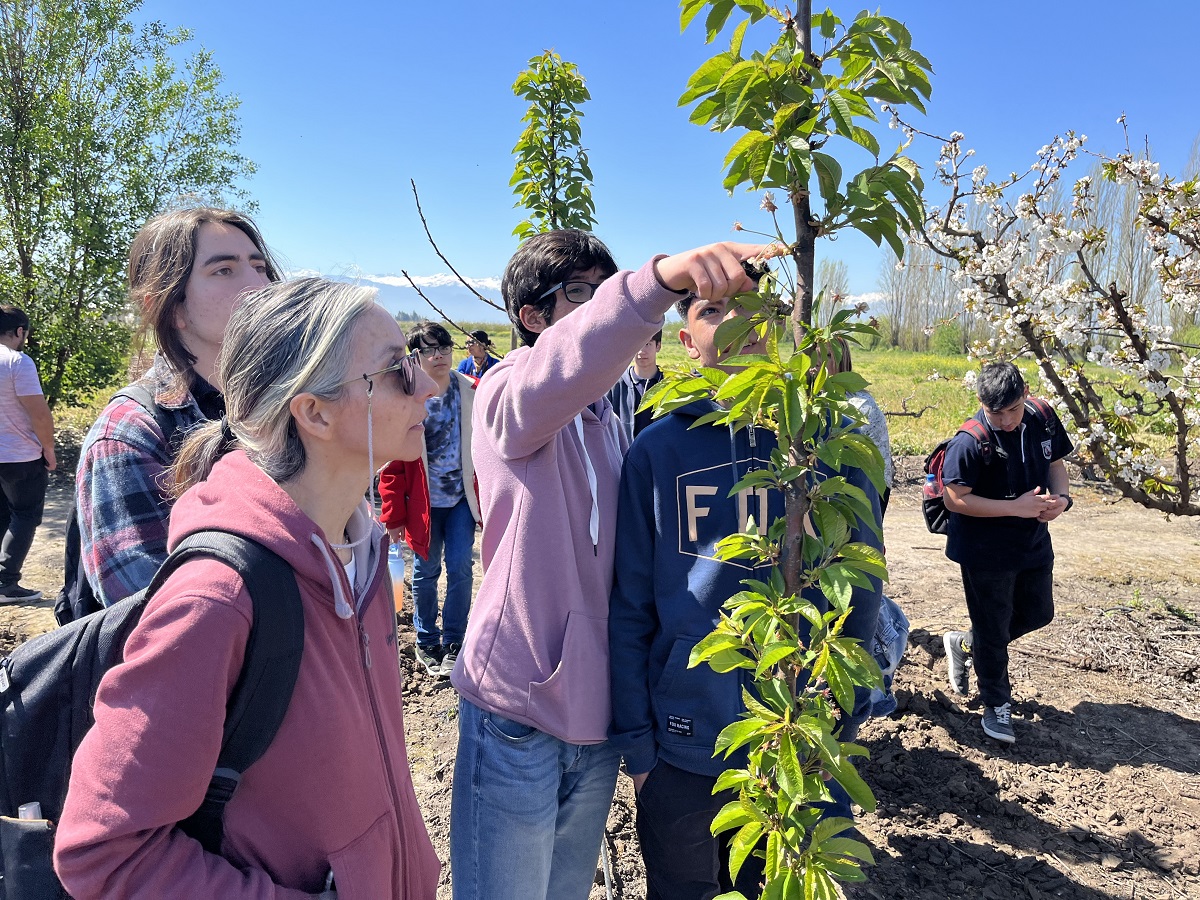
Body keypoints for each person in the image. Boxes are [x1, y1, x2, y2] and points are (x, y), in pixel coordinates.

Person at [55, 277, 441, 899]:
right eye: (396, 370)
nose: (428, 384)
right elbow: (104, 853)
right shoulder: (217, 598)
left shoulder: (356, 553)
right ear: (313, 411)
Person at [448, 229, 765, 900]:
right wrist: (657, 283)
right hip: (518, 707)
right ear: (532, 318)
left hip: (592, 721)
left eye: (604, 294)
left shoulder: (611, 426)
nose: (600, 313)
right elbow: (566, 364)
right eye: (580, 296)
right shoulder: (508, 395)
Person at [608, 294, 884, 900]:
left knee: (790, 883)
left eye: (750, 308)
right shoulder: (657, 450)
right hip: (686, 736)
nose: (735, 322)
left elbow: (862, 582)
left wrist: (845, 702)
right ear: (685, 343)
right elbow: (630, 604)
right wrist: (638, 743)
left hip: (801, 725)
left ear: (776, 325)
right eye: (711, 312)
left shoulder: (825, 443)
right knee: (686, 888)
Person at [76, 207, 281, 607]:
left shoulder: (284, 408)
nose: (260, 287)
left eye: (260, 268)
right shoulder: (130, 433)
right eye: (224, 270)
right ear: (171, 308)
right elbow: (151, 612)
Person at [940, 361, 1073, 745]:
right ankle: (996, 705)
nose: (1006, 420)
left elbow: (1056, 465)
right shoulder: (969, 440)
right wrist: (1015, 507)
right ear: (981, 402)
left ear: (1026, 393)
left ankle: (967, 643)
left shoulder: (1043, 416)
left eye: (1013, 410)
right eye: (995, 412)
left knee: (1038, 613)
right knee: (995, 630)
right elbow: (955, 499)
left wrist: (1061, 500)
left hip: (1032, 540)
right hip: (984, 551)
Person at [379, 321, 481, 678]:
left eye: (444, 347)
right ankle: (426, 641)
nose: (439, 356)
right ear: (415, 356)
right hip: (423, 504)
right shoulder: (407, 398)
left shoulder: (471, 390)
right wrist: (392, 516)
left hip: (460, 501)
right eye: (428, 350)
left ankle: (454, 639)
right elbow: (392, 461)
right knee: (425, 572)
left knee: (461, 568)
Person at [0, 306, 56, 603]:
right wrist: (48, 448)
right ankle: (5, 583)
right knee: (24, 515)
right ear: (20, 331)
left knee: (2, 515)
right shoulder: (17, 363)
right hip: (19, 456)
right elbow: (39, 414)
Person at [829, 337, 894, 516]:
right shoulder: (809, 398)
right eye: (814, 355)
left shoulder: (860, 404)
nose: (819, 363)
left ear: (842, 361)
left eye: (828, 355)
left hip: (863, 488)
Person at [607, 330, 664, 442]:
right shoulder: (615, 384)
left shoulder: (670, 384)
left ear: (658, 346)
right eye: (637, 345)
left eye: (647, 344)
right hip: (625, 455)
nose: (641, 351)